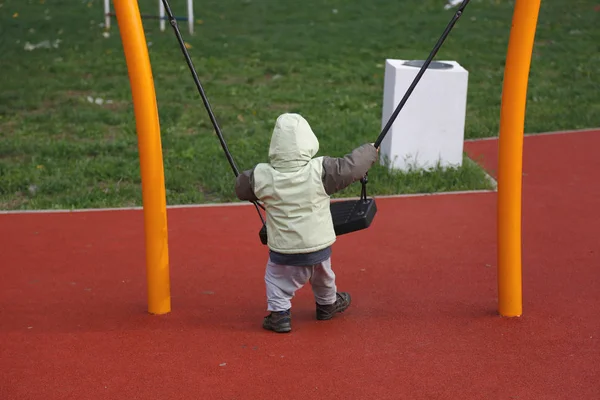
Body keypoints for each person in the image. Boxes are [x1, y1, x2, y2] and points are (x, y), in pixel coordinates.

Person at [235, 113, 378, 333]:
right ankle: (327, 305)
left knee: (277, 281)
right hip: (318, 246)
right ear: (309, 142)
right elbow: (352, 167)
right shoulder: (321, 171)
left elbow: (241, 188)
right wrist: (369, 150)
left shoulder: (261, 176)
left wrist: (244, 181)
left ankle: (280, 315)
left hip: (284, 250)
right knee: (324, 276)